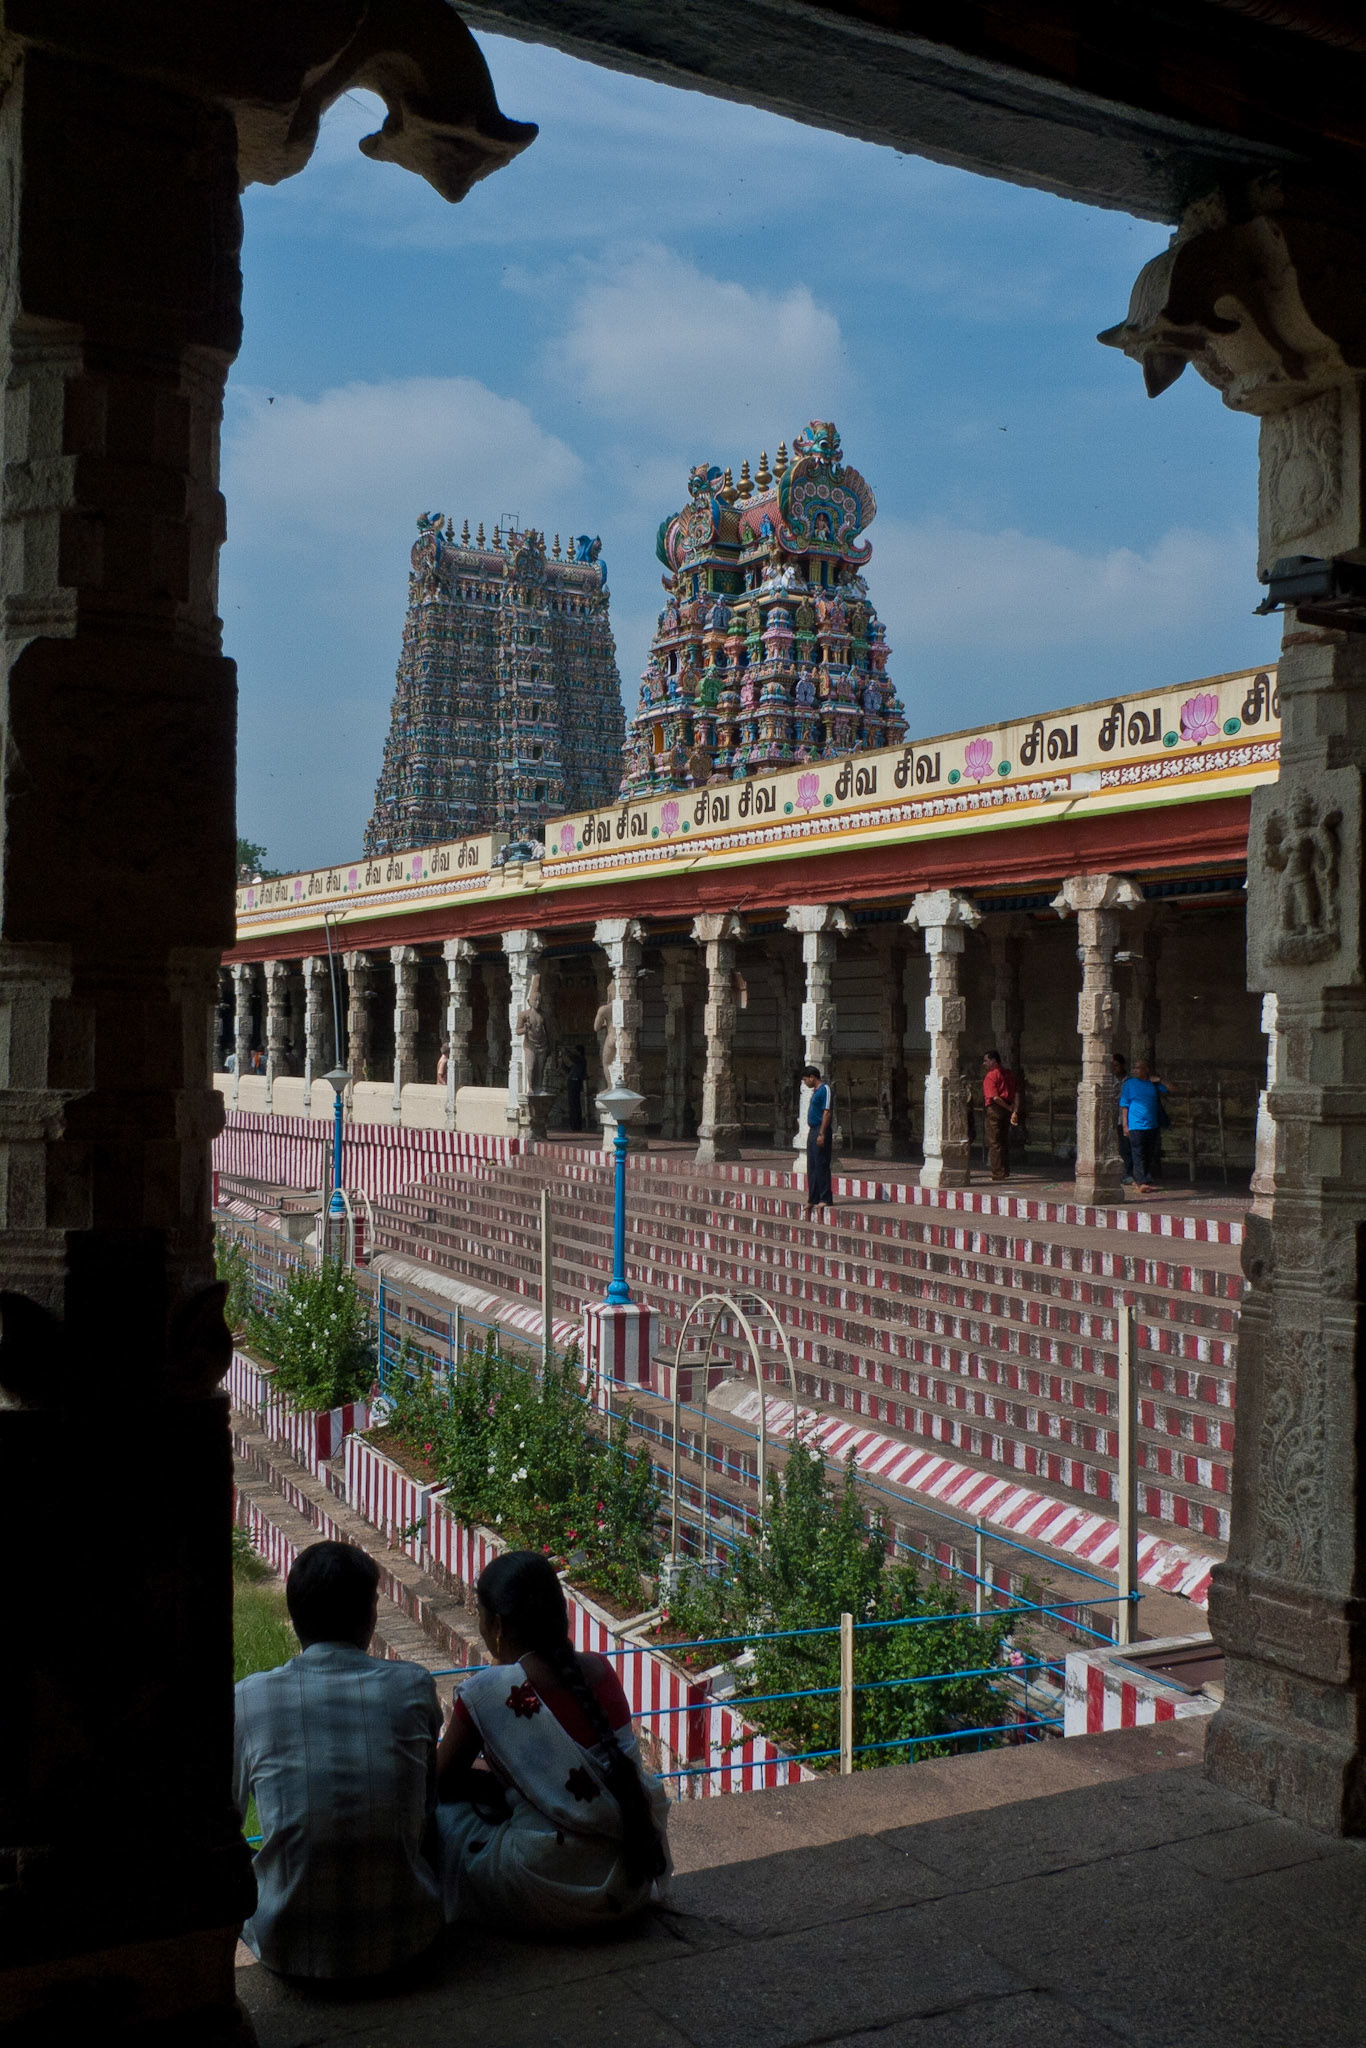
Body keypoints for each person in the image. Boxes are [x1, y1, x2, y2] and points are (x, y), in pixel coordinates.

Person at [233, 1541, 443, 1981]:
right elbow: (425, 1812)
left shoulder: (249, 1697)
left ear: (293, 1617)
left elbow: (223, 1822)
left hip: (289, 1951)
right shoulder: (414, 1686)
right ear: (369, 1618)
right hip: (409, 1942)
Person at [435, 1551, 669, 1934]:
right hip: (629, 1883)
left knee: (444, 1817)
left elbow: (440, 1780)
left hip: (547, 1885)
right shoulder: (600, 1670)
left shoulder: (489, 1691)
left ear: (496, 1624)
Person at [1118, 1057, 1170, 1195]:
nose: (1135, 1070)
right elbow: (1124, 1105)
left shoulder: (1152, 1084)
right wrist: (1125, 1125)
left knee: (1148, 1153)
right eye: (1134, 1068)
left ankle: (1142, 1179)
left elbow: (1172, 1088)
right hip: (1135, 1125)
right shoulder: (1130, 1084)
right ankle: (1141, 1182)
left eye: (1138, 1068)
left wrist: (1159, 1079)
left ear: (1146, 1070)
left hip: (1152, 1124)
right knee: (1137, 1153)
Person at [981, 1049, 1021, 1182]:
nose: (984, 1063)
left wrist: (1008, 1107)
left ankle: (998, 1173)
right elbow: (1016, 1093)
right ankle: (1005, 1170)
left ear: (993, 1061)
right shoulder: (1008, 1074)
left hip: (996, 1109)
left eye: (986, 1061)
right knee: (1003, 1141)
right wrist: (1014, 1110)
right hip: (1007, 1107)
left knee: (994, 1142)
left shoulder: (991, 1076)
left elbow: (995, 1097)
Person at [803, 1063, 833, 1213]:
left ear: (812, 1077)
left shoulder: (825, 1089)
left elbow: (827, 1112)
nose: (805, 1083)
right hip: (812, 1130)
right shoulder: (815, 1091)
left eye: (805, 1080)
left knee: (821, 1164)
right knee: (812, 1166)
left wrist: (822, 1133)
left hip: (820, 1130)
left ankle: (825, 1198)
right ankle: (812, 1198)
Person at [1111, 1052, 1134, 1181]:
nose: (1114, 1069)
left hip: (1127, 1118)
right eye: (1112, 1066)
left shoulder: (1130, 1081)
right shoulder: (1109, 1080)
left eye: (1116, 1065)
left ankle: (1128, 1173)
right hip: (1112, 1117)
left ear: (1122, 1065)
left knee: (1127, 1147)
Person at [564, 1043, 588, 1131]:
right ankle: (574, 1124)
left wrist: (566, 1051)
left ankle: (576, 1125)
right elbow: (568, 1069)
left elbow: (573, 1058)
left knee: (574, 1104)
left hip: (575, 1082)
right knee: (572, 1104)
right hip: (572, 1082)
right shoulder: (578, 1062)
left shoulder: (581, 1060)